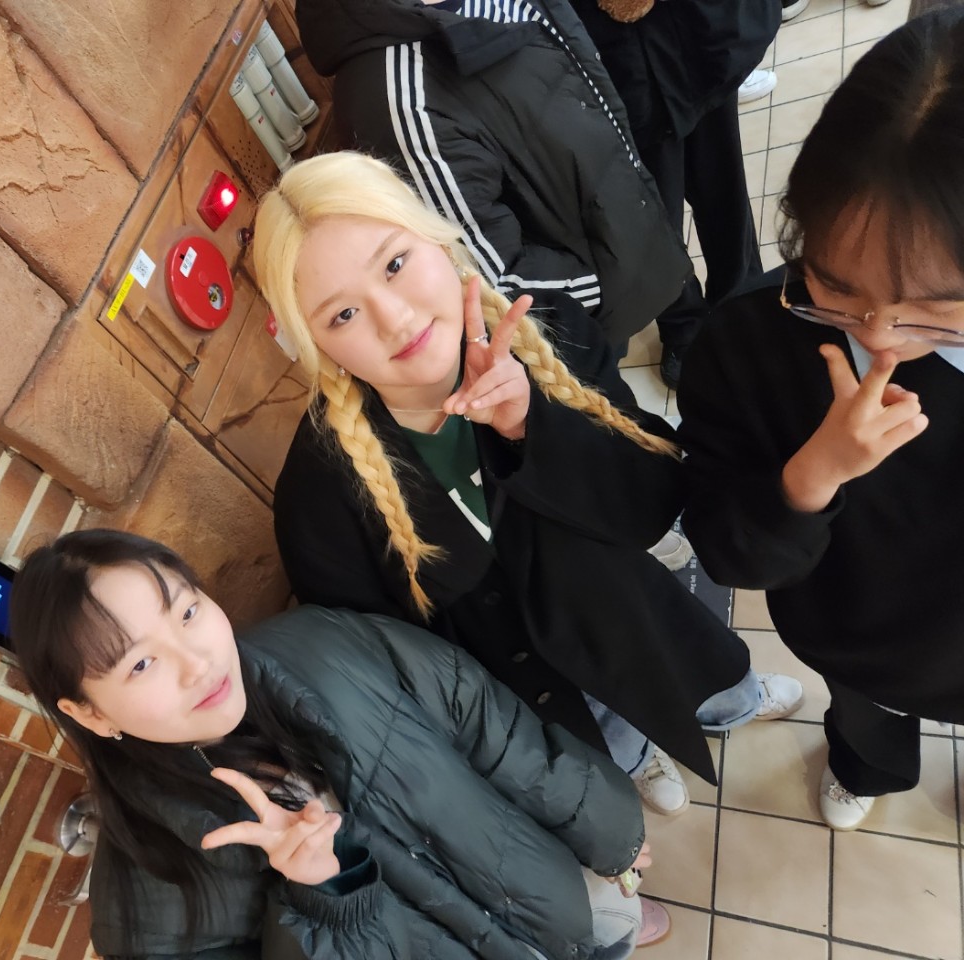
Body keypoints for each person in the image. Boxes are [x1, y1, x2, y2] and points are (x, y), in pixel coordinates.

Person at [257, 151, 803, 827]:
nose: (394, 319)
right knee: (613, 743)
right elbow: (394, 666)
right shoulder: (318, 496)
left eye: (395, 263)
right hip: (536, 691)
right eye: (342, 314)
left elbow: (656, 497)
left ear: (436, 238)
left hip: (633, 618)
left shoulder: (546, 331)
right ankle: (641, 762)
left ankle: (737, 703)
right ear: (313, 346)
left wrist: (528, 424)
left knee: (710, 678)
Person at [9, 529, 651, 959]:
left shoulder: (326, 643)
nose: (196, 662)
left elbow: (496, 730)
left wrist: (613, 834)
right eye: (140, 664)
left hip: (563, 909)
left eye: (186, 612)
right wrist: (323, 895)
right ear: (89, 713)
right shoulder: (145, 900)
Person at [677, 9, 964, 831]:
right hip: (858, 637)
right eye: (836, 285)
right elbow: (727, 551)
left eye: (932, 310)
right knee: (867, 727)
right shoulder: (750, 342)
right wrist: (814, 475)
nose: (879, 336)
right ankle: (864, 768)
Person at [293, 0, 693, 379]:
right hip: (587, 315)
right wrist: (616, 276)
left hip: (625, 222)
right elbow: (489, 274)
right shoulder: (396, 96)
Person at [564, 0, 779, 387]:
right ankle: (682, 321)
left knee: (723, 185)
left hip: (693, 37)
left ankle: (741, 296)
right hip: (609, 54)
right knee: (651, 210)